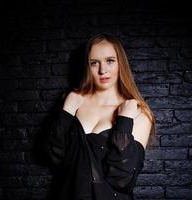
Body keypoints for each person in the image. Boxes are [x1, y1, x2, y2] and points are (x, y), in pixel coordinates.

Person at [41, 32, 156, 200]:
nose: (103, 70)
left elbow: (122, 179)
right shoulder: (73, 102)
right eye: (94, 63)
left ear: (120, 64)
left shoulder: (138, 112)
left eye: (110, 61)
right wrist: (66, 111)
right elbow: (51, 156)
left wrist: (124, 121)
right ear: (88, 66)